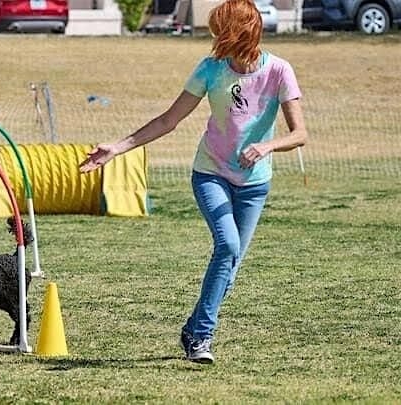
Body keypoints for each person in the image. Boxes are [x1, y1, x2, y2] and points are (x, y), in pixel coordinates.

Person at [79, 0, 307, 364]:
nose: (215, 37)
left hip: (254, 184)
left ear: (241, 33)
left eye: (221, 31)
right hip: (211, 174)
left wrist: (266, 146)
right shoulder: (211, 69)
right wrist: (117, 148)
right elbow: (168, 120)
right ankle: (201, 337)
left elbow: (300, 134)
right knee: (228, 246)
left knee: (229, 267)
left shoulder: (279, 71)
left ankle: (192, 328)